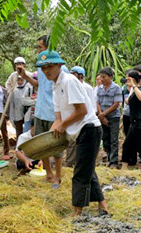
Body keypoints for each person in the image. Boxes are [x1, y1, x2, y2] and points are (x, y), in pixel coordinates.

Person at [39, 49, 108, 215]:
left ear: (59, 65)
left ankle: (77, 211)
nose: (46, 70)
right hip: (78, 131)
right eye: (43, 67)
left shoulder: (69, 81)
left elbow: (82, 110)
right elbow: (58, 117)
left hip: (89, 128)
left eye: (50, 66)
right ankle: (103, 205)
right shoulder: (55, 86)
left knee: (80, 171)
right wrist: (54, 130)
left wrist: (62, 124)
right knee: (87, 168)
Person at [18, 35, 60, 182]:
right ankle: (48, 173)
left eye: (40, 47)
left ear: (49, 48)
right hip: (41, 112)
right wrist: (25, 76)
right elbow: (39, 85)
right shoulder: (42, 68)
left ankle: (58, 175)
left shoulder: (61, 69)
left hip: (54, 113)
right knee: (42, 146)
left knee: (56, 146)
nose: (38, 50)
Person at [65, 66, 94, 167]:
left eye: (74, 74)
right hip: (74, 118)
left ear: (80, 75)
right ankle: (69, 164)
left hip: (85, 120)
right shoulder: (70, 86)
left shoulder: (88, 88)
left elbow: (91, 106)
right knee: (72, 143)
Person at [121, 70, 141, 168]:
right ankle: (123, 168)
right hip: (134, 123)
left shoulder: (140, 89)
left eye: (128, 78)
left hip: (140, 123)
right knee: (127, 145)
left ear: (133, 79)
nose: (126, 80)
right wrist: (129, 88)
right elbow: (127, 101)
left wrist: (133, 85)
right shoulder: (133, 91)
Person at [96, 67, 122, 169]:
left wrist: (103, 114)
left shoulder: (116, 88)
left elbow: (116, 104)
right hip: (102, 117)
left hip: (113, 117)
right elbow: (97, 102)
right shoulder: (100, 88)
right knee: (105, 139)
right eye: (101, 77)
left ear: (110, 77)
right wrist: (101, 115)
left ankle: (114, 161)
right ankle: (109, 156)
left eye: (104, 77)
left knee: (114, 139)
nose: (102, 79)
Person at [9, 75, 31, 142]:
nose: (20, 82)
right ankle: (18, 148)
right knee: (19, 132)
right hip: (17, 115)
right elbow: (12, 105)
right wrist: (11, 117)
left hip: (27, 114)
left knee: (26, 132)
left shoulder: (28, 89)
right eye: (18, 80)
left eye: (21, 80)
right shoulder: (14, 91)